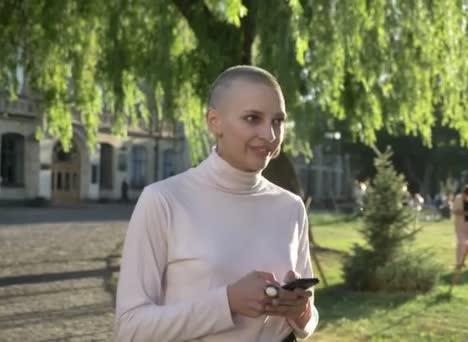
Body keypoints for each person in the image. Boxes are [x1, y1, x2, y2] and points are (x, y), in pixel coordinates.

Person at [114, 66, 318, 341]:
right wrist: (227, 302)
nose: (270, 135)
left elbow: (309, 315)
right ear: (214, 121)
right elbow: (130, 328)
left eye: (277, 121)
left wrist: (301, 312)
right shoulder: (163, 200)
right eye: (252, 118)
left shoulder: (291, 207)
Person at [451, 184, 468, 267]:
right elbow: (455, 211)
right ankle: (459, 262)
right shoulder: (458, 198)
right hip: (460, 224)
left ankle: (464, 261)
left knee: (467, 243)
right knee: (461, 243)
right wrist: (466, 213)